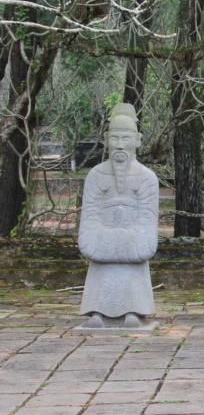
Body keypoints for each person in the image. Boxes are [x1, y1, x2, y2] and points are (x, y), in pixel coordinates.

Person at [78, 103, 159, 328]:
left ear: (138, 140)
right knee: (101, 262)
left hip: (132, 240)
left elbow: (147, 230)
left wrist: (122, 238)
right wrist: (110, 238)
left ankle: (134, 309)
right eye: (115, 138)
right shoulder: (95, 176)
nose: (120, 144)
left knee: (134, 260)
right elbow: (89, 224)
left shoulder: (147, 178)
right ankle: (97, 310)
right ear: (106, 139)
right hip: (104, 239)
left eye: (126, 138)